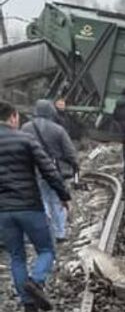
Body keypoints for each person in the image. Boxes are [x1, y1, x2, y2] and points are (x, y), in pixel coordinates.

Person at [0, 100, 72, 312]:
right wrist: (63, 195)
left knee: (16, 256)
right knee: (47, 249)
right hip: (29, 205)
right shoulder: (25, 139)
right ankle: (37, 281)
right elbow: (48, 170)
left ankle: (28, 303)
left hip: (3, 210)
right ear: (13, 116)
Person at [21, 99, 79, 241]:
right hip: (54, 169)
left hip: (32, 169)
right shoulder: (58, 129)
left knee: (39, 199)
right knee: (57, 200)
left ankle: (40, 230)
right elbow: (70, 151)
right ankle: (59, 233)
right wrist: (75, 165)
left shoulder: (25, 128)